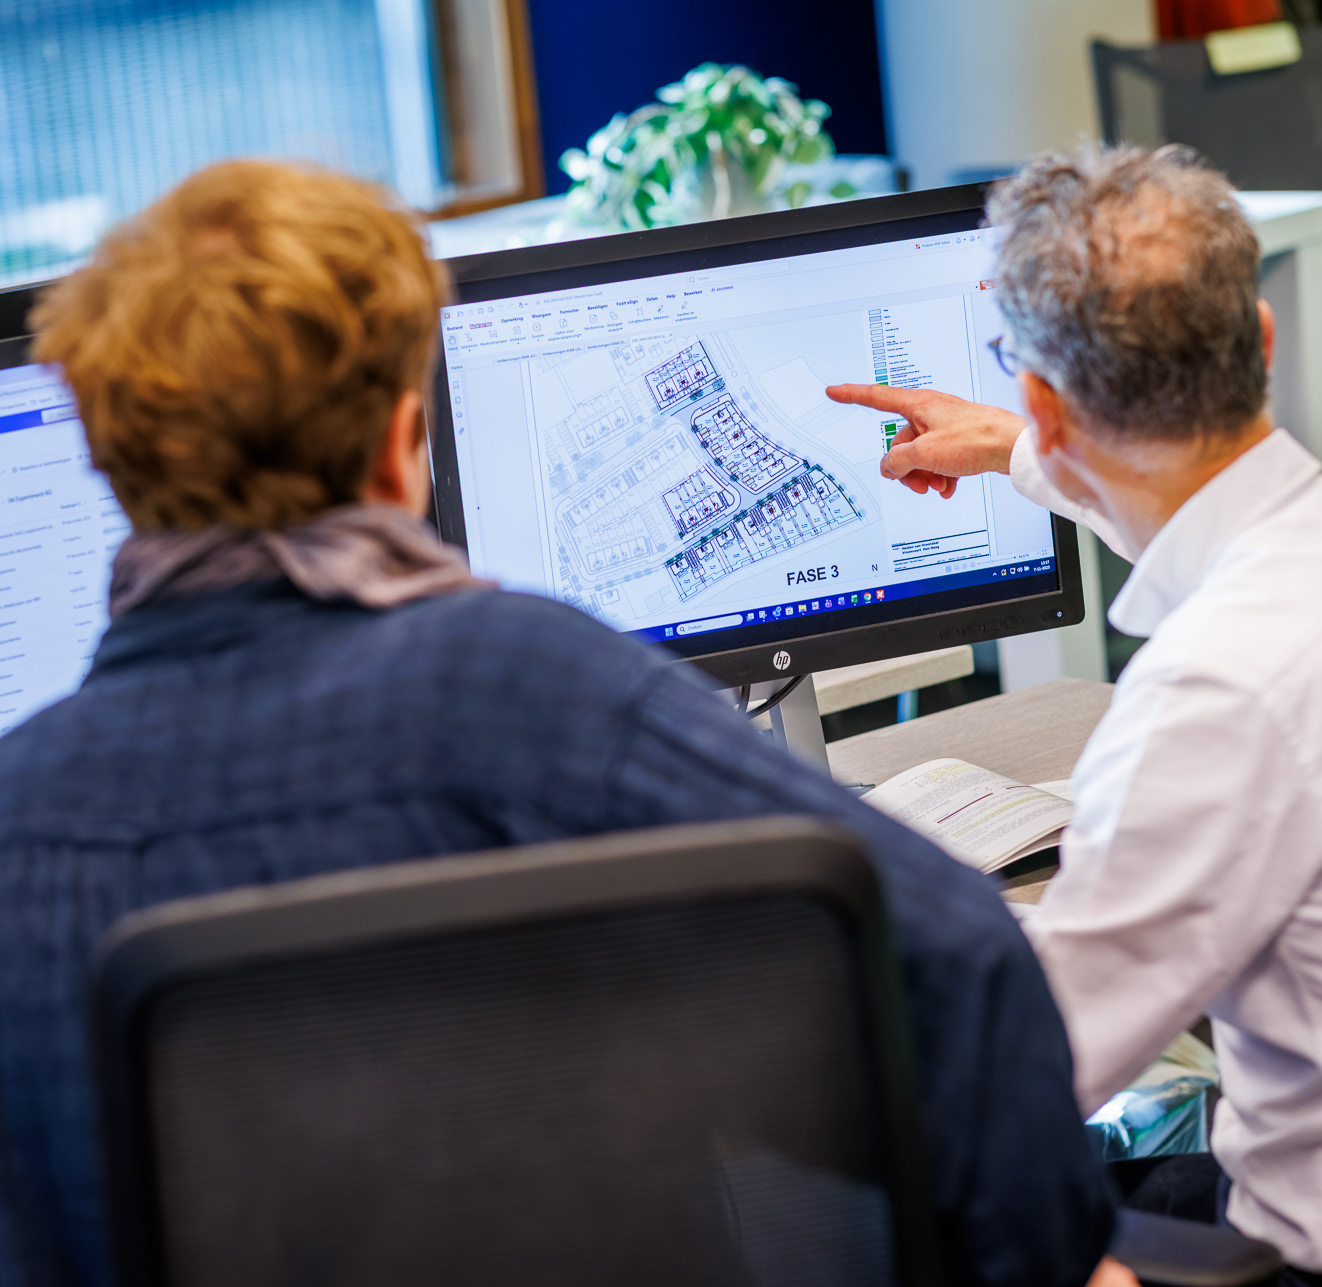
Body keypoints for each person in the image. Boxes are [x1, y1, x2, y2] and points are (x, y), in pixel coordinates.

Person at [0, 160, 1114, 1287]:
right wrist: (1054, 1260)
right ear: (399, 439)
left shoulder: (19, 818)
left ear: (115, 465)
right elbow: (957, 961)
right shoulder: (522, 688)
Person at [829, 143, 1322, 1283]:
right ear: (1258, 339)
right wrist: (1019, 448)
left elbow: (1028, 1063)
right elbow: (1209, 532)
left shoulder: (1210, 696)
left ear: (1048, 403)